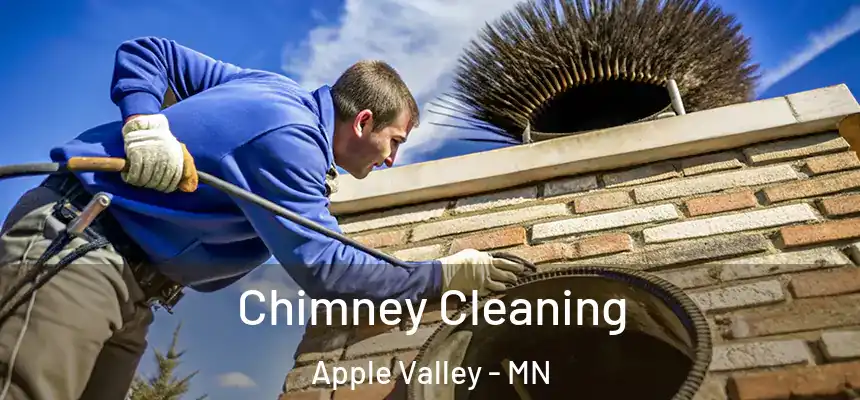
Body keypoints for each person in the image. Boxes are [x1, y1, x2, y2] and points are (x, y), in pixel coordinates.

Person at [0, 36, 525, 400]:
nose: (392, 159)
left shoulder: (270, 90)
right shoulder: (290, 140)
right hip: (78, 245)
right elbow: (329, 269)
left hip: (130, 285)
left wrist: (147, 118)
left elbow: (152, 52)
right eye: (395, 142)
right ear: (364, 121)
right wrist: (444, 275)